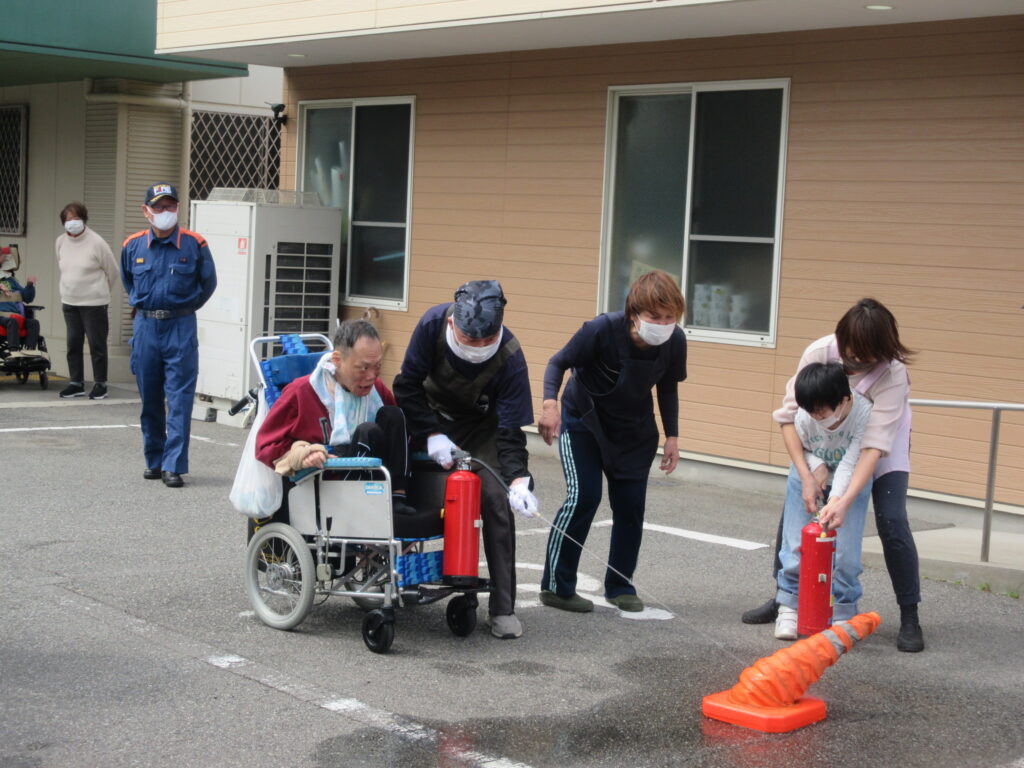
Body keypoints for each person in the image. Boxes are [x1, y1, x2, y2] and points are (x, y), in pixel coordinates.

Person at [743, 297, 924, 652]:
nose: (854, 364)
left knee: (891, 519)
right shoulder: (821, 351)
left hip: (878, 441)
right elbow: (791, 417)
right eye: (850, 355)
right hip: (822, 441)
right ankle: (785, 600)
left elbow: (872, 446)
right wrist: (808, 474)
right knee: (797, 509)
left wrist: (843, 499)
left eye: (864, 359)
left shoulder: (893, 372)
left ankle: (909, 615)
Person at [393, 280, 538, 640]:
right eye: (468, 338)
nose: (475, 347)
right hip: (430, 420)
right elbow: (406, 386)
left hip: (482, 430)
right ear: (452, 324)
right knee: (416, 494)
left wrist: (518, 479)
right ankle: (401, 572)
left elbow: (509, 430)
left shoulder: (510, 356)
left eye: (484, 341)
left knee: (494, 499)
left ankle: (502, 608)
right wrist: (430, 433)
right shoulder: (431, 325)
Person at [538, 270, 687, 613]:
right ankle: (556, 587)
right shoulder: (602, 329)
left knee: (631, 508)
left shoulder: (674, 341)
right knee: (584, 497)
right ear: (634, 312)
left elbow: (668, 388)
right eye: (655, 317)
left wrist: (673, 437)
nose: (663, 324)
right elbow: (558, 362)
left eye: (670, 317)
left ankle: (620, 585)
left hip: (633, 432)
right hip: (583, 422)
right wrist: (550, 405)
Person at [255, 319, 416, 517]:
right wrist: (303, 454)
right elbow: (265, 445)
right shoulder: (301, 392)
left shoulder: (377, 390)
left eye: (377, 366)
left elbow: (399, 436)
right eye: (363, 368)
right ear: (337, 360)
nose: (372, 376)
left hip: (380, 480)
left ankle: (397, 497)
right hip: (328, 480)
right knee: (368, 430)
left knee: (394, 414)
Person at [121, 183, 217, 489]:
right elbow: (127, 283)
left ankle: (174, 465)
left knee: (180, 399)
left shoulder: (195, 244)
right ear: (146, 210)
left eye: (171, 206)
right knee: (150, 398)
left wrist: (185, 309)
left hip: (180, 327)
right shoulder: (133, 245)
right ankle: (155, 459)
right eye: (159, 207)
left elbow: (208, 284)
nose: (165, 212)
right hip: (147, 327)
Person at [774, 362, 873, 640]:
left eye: (821, 411)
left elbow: (852, 461)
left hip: (852, 478)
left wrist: (837, 500)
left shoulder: (864, 413)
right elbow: (802, 448)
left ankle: (843, 610)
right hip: (807, 471)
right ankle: (789, 607)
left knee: (845, 550)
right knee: (795, 542)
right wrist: (814, 471)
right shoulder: (806, 415)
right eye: (810, 411)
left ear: (844, 400)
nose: (816, 417)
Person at [55, 202, 119, 400]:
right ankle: (76, 383)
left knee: (96, 344)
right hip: (69, 301)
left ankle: (100, 383)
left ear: (84, 219)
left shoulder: (96, 242)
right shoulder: (60, 242)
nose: (72, 223)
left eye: (76, 219)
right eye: (68, 220)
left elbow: (113, 271)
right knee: (73, 343)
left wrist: (100, 292)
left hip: (94, 303)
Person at [0, 250, 44, 359]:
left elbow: (27, 298)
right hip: (2, 316)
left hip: (15, 315)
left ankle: (29, 350)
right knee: (12, 322)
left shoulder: (11, 281)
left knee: (34, 323)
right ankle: (14, 351)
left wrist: (29, 285)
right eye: (4, 257)